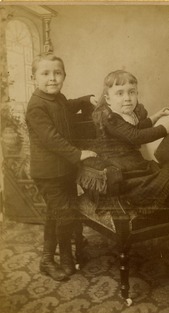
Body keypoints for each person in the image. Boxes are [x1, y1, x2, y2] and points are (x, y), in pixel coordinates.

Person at [90, 70, 169, 211]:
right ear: (108, 99)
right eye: (120, 93)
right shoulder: (109, 118)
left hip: (138, 167)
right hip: (125, 174)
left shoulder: (124, 115)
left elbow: (136, 127)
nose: (127, 98)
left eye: (132, 92)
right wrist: (168, 127)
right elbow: (135, 135)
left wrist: (154, 118)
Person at [25, 53, 97, 281]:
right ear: (33, 78)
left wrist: (87, 99)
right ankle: (62, 257)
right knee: (65, 215)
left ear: (64, 76)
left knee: (56, 214)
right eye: (45, 73)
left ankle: (51, 258)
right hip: (48, 173)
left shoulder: (58, 99)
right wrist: (78, 154)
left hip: (64, 170)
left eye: (57, 73)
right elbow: (51, 138)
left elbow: (68, 106)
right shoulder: (36, 106)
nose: (52, 78)